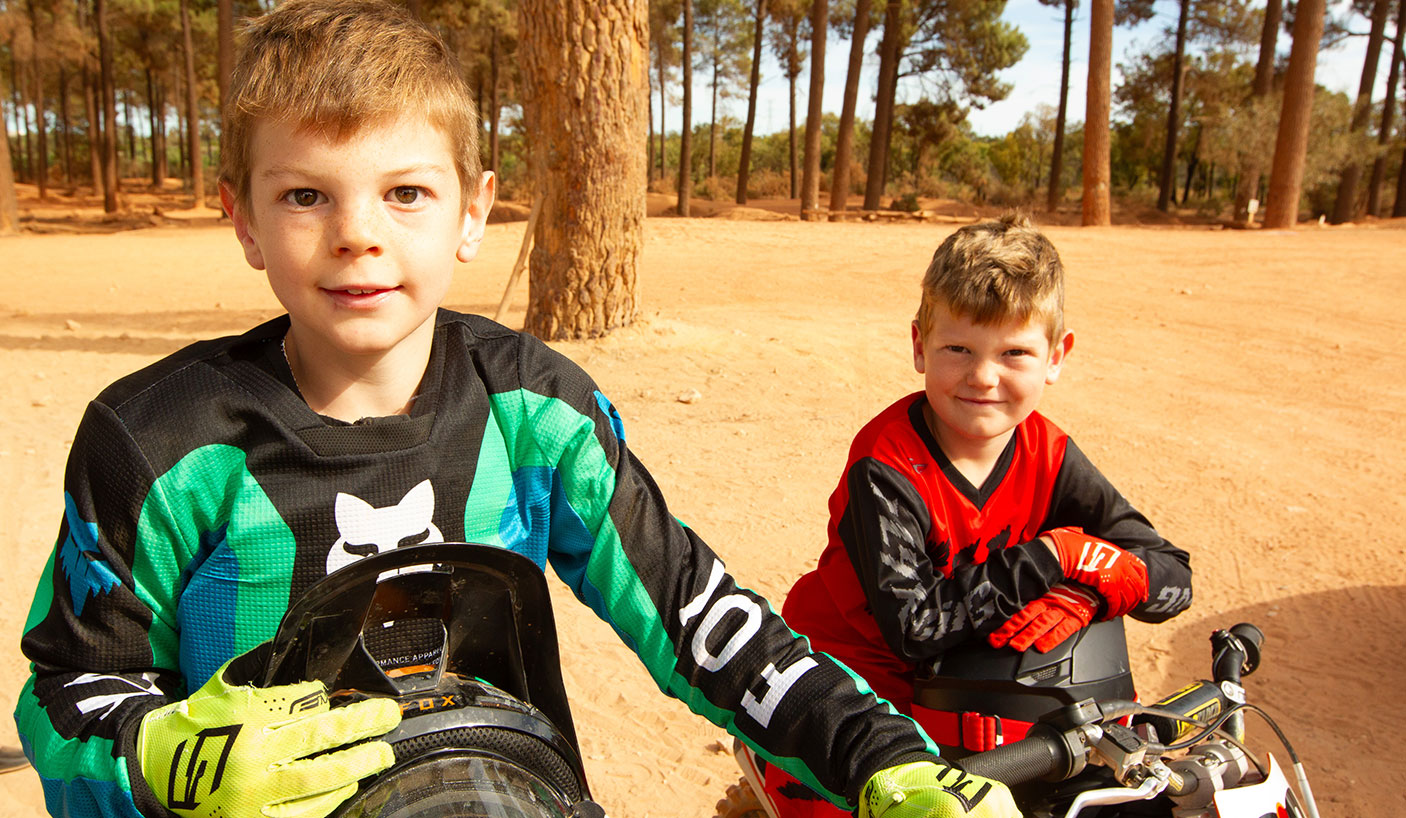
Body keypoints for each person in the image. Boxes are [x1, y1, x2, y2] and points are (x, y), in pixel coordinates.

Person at [12, 3, 1021, 818]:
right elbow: (66, 695)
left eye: (405, 191)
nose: (358, 235)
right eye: (305, 196)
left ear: (473, 211)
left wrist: (886, 756)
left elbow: (695, 614)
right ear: (242, 219)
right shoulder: (156, 438)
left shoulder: (535, 409)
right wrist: (156, 757)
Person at [758, 214, 1194, 817]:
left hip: (968, 688)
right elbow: (914, 629)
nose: (983, 377)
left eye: (1015, 352)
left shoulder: (1048, 451)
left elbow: (1172, 574)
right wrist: (1053, 558)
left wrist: (1092, 589)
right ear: (919, 346)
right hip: (850, 683)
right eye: (957, 349)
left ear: (1056, 356)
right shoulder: (886, 466)